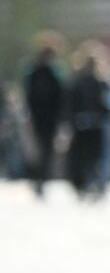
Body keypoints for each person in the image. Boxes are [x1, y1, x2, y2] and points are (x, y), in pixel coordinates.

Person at [67, 45, 110, 201]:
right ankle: (86, 184)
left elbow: (108, 105)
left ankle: (92, 184)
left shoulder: (101, 83)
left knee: (91, 157)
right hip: (86, 126)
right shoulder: (82, 83)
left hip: (92, 126)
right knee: (86, 157)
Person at [23, 40, 67, 199]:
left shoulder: (35, 72)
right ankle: (38, 179)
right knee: (42, 150)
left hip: (40, 118)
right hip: (46, 118)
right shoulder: (50, 73)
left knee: (40, 150)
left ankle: (39, 180)